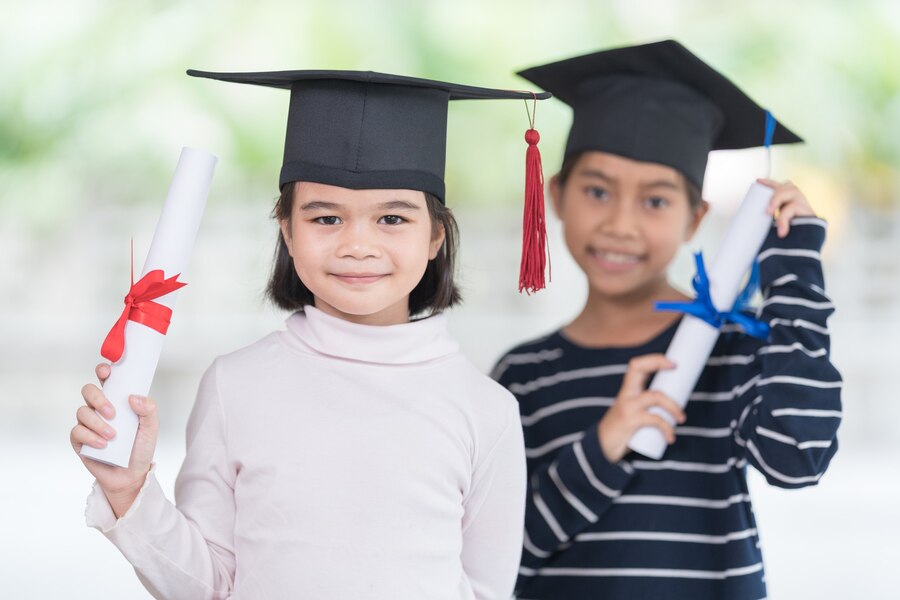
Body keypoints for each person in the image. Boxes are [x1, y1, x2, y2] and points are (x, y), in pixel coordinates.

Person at [70, 69, 550, 599]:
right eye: (326, 219)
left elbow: (485, 591)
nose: (358, 246)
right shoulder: (236, 385)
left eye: (393, 218)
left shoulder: (486, 409)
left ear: (436, 235)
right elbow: (210, 586)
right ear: (287, 231)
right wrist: (128, 487)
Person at [492, 40, 842, 599]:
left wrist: (795, 271)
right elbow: (500, 555)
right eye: (598, 191)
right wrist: (603, 445)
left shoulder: (732, 350)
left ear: (695, 218)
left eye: (655, 201)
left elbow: (797, 459)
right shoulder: (523, 375)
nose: (621, 225)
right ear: (556, 195)